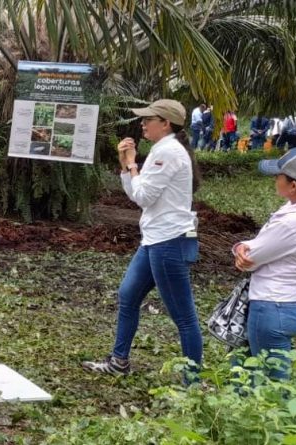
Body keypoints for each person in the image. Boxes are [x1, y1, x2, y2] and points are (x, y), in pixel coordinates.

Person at [83, 99, 202, 378]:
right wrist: (127, 167)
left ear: (166, 124)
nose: (143, 123)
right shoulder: (163, 150)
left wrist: (132, 165)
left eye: (149, 119)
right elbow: (139, 195)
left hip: (169, 241)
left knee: (184, 318)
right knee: (127, 296)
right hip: (154, 239)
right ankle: (119, 361)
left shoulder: (169, 153)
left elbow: (144, 196)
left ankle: (192, 384)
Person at [233, 147, 296, 380]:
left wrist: (242, 249)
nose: (275, 179)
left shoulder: (294, 222)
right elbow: (262, 247)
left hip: (274, 306)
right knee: (243, 366)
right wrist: (244, 246)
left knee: (273, 384)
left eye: (279, 175)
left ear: (293, 186)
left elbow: (251, 260)